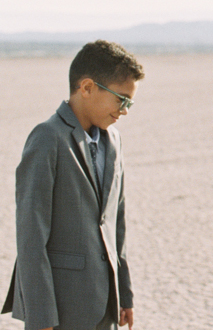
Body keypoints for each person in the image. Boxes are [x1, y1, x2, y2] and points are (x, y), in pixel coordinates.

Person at [3, 40, 144, 330]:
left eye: (130, 102)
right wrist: (41, 318)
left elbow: (116, 225)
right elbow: (31, 238)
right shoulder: (47, 138)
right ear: (87, 87)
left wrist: (124, 295)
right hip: (61, 310)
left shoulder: (114, 140)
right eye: (121, 99)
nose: (125, 111)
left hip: (106, 306)